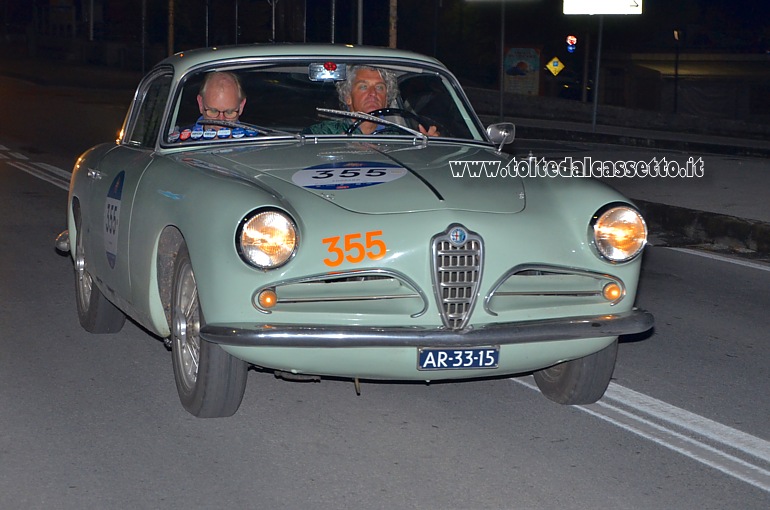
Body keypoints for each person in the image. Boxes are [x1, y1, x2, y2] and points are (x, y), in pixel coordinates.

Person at [303, 65, 439, 136]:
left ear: (387, 99)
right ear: (348, 97)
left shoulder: (401, 137)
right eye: (363, 87)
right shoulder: (321, 133)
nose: (373, 93)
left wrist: (430, 149)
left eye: (379, 88)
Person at [171, 71, 252, 142]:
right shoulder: (178, 143)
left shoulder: (255, 144)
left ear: (241, 106)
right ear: (201, 104)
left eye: (229, 112)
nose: (221, 122)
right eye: (213, 111)